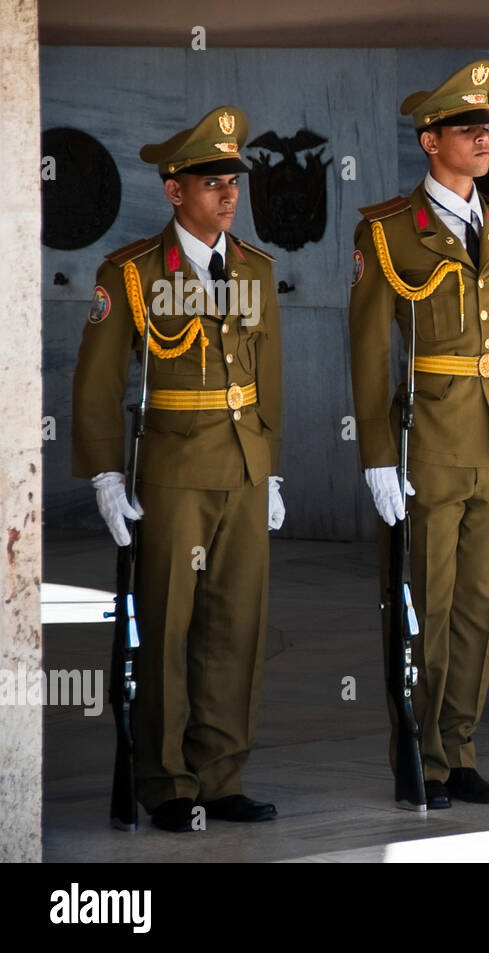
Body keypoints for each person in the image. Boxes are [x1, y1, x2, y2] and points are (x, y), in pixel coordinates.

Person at [71, 105, 284, 831]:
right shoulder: (129, 273)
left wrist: (273, 468)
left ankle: (222, 774)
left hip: (245, 472)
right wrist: (105, 475)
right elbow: (98, 385)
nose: (228, 195)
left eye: (233, 180)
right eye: (211, 182)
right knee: (165, 629)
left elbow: (269, 380)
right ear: (173, 190)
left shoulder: (255, 267)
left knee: (235, 627)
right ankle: (166, 782)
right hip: (172, 472)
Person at [348, 60, 489, 808]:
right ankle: (415, 752)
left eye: (486, 128)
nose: (482, 139)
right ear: (430, 141)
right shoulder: (389, 230)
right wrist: (378, 457)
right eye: (465, 129)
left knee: (480, 606)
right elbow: (366, 350)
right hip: (426, 445)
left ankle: (460, 748)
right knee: (426, 602)